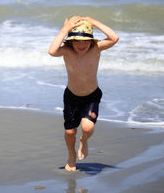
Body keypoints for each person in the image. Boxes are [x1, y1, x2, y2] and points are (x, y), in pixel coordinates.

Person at [48, 16, 119, 171]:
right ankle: (71, 155)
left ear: (91, 41)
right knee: (69, 131)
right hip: (72, 96)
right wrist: (65, 28)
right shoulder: (66, 51)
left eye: (86, 41)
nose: (82, 45)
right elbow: (52, 51)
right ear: (71, 41)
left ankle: (84, 141)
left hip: (91, 96)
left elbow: (114, 38)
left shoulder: (96, 49)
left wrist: (93, 21)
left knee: (87, 128)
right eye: (77, 41)